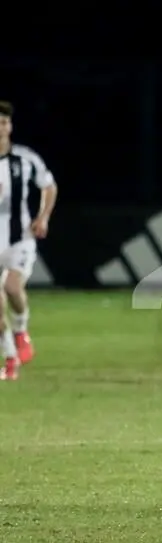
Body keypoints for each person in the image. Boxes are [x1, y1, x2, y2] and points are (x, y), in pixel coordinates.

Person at [0, 101, 57, 380]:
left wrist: (43, 217)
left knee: (11, 287)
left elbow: (49, 186)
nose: (1, 128)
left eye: (4, 122)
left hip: (19, 238)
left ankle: (21, 330)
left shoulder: (25, 158)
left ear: (10, 126)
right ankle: (11, 359)